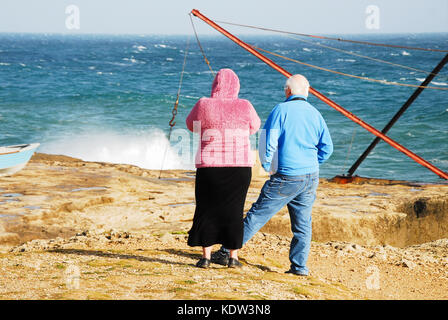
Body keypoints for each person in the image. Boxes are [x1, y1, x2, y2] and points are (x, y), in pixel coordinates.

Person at [212, 74, 333, 276]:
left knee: (257, 215)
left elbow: (266, 142)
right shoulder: (315, 113)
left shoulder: (281, 110)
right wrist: (312, 162)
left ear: (288, 91)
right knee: (303, 225)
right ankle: (299, 268)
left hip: (286, 175)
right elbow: (327, 148)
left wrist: (268, 165)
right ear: (307, 92)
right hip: (310, 176)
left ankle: (226, 252)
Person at [186, 68, 261, 269]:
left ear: (215, 85)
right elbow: (254, 127)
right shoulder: (245, 105)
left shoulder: (204, 104)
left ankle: (206, 258)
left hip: (210, 166)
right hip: (239, 167)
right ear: (236, 86)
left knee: (206, 209)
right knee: (234, 211)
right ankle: (233, 258)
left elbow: (190, 125)